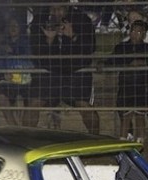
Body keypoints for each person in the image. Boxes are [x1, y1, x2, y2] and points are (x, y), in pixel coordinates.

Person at [29, 3, 99, 134]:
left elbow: (90, 48)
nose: (56, 12)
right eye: (53, 8)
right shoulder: (40, 19)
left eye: (60, 8)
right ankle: (25, 139)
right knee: (33, 104)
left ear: (67, 7)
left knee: (84, 105)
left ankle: (96, 140)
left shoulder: (81, 19)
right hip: (49, 71)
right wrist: (49, 40)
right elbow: (35, 51)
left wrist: (73, 36)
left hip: (75, 71)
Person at [107, 21, 148, 143]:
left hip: (142, 86)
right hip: (126, 86)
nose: (135, 34)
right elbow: (111, 62)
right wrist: (128, 64)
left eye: (139, 32)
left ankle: (140, 141)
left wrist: (143, 64)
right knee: (126, 115)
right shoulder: (121, 47)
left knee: (140, 114)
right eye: (133, 31)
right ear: (129, 32)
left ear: (144, 35)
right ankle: (123, 139)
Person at [0, 16, 34, 127]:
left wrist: (13, 52)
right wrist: (3, 75)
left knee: (30, 101)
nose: (13, 28)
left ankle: (27, 131)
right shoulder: (2, 45)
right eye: (10, 25)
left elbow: (29, 61)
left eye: (16, 25)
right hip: (9, 81)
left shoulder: (27, 43)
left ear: (21, 28)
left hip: (25, 81)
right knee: (1, 98)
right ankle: (14, 127)